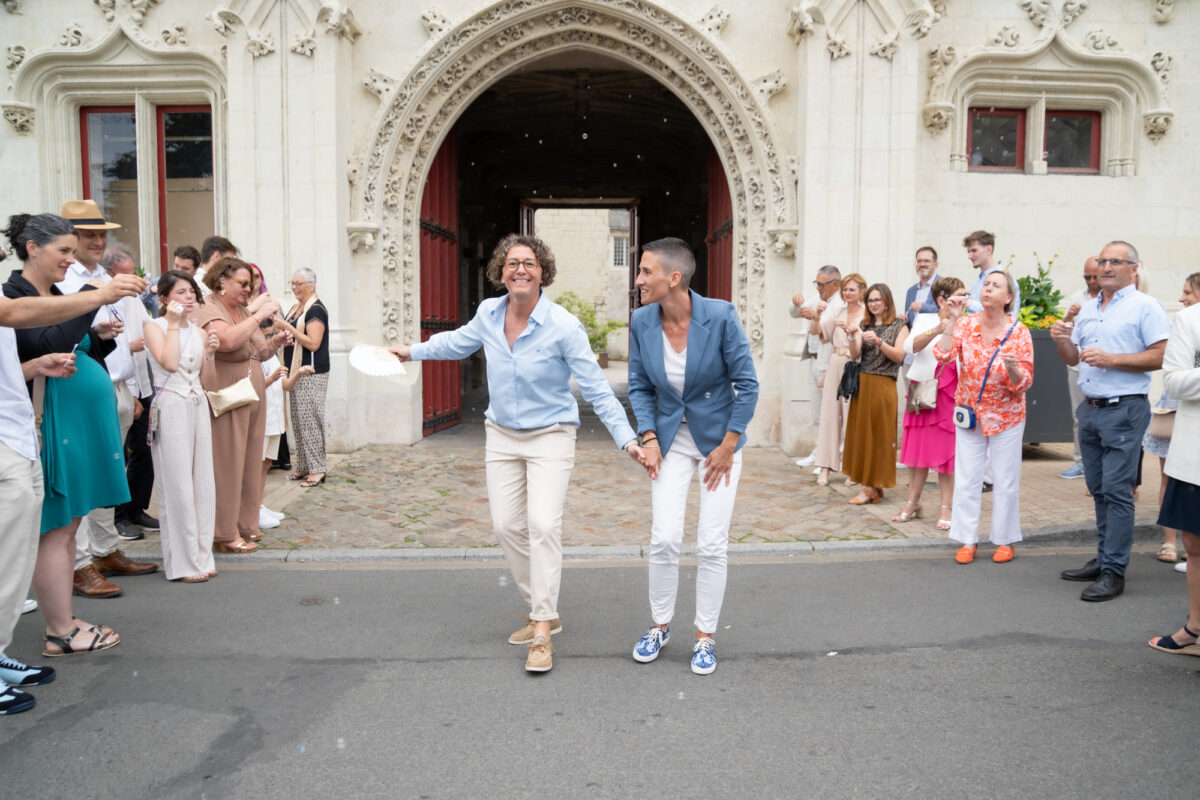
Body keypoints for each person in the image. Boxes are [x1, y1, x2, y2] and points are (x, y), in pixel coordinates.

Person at [389, 233, 644, 674]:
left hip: (551, 435)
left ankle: (541, 628)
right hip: (502, 435)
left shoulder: (563, 325)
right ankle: (545, 606)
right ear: (501, 272)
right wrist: (410, 352)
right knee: (506, 526)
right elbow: (456, 343)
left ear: (543, 272)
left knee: (543, 525)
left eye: (529, 263)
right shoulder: (489, 313)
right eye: (512, 263)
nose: (520, 269)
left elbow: (598, 390)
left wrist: (627, 439)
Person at [0, 223, 146, 714]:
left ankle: (11, 647)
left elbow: (56, 347)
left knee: (45, 536)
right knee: (44, 533)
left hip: (37, 427)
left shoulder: (49, 293)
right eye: (63, 249)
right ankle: (58, 629)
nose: (72, 257)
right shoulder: (15, 295)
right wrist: (94, 297)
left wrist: (95, 329)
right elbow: (35, 330)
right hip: (37, 426)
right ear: (32, 248)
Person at [627, 237, 758, 676]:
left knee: (711, 543)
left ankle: (705, 636)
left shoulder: (720, 316)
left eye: (646, 271)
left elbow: (747, 384)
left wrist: (728, 445)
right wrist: (648, 437)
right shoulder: (641, 321)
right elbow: (639, 385)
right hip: (670, 441)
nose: (639, 279)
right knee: (664, 537)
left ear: (674, 278)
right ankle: (659, 626)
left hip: (719, 443)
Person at [51, 203, 161, 596]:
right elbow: (64, 335)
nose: (98, 241)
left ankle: (105, 549)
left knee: (106, 472)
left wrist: (132, 389)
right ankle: (79, 563)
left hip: (113, 388)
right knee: (81, 475)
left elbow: (132, 332)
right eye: (88, 235)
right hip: (78, 389)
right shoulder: (65, 279)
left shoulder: (104, 276)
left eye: (101, 234)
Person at [1052, 241, 1170, 601]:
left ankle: (1114, 571)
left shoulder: (1146, 306)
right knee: (1099, 489)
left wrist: (1112, 359)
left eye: (1115, 261)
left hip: (1124, 409)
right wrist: (1062, 340)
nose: (1106, 267)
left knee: (1118, 491)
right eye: (1102, 261)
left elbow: (1161, 355)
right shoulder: (1088, 309)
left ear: (1133, 269)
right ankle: (1105, 558)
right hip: (1090, 409)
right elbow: (1073, 358)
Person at [933, 271, 1033, 563]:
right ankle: (967, 539)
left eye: (996, 285)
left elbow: (1025, 381)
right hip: (970, 414)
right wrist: (952, 320)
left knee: (1005, 480)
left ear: (1009, 297)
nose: (988, 288)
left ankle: (1004, 540)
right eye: (986, 284)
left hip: (1006, 416)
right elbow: (943, 355)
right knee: (967, 479)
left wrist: (1013, 370)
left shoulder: (1019, 332)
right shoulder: (966, 324)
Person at [191, 257, 289, 554]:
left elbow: (258, 352)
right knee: (228, 462)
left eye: (251, 283)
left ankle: (245, 524)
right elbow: (227, 342)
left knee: (249, 460)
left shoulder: (242, 310)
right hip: (228, 391)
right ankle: (224, 532)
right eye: (243, 283)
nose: (249, 289)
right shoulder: (210, 308)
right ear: (221, 280)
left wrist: (276, 342)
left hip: (251, 391)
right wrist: (259, 316)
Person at [143, 271, 221, 582]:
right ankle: (183, 561)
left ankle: (203, 554)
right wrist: (174, 324)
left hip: (197, 403)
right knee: (176, 483)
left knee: (203, 481)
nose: (188, 297)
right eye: (180, 292)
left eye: (191, 291)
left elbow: (208, 382)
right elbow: (170, 363)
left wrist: (211, 355)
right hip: (171, 403)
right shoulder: (154, 327)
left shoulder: (200, 332)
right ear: (164, 298)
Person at [1147, 296, 1200, 658]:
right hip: (1195, 454)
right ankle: (1195, 629)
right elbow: (1175, 383)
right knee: (1194, 546)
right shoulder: (1190, 318)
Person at [98, 247, 160, 543]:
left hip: (141, 383)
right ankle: (117, 516)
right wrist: (128, 347)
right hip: (118, 383)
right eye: (128, 273)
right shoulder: (101, 294)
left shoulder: (133, 297)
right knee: (118, 452)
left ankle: (136, 507)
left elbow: (149, 325)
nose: (135, 279)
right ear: (110, 273)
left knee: (145, 449)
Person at [895, 277, 965, 528]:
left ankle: (947, 507)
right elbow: (909, 347)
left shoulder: (968, 323)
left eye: (965, 295)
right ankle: (912, 503)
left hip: (952, 391)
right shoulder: (925, 319)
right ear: (941, 300)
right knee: (917, 450)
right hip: (923, 387)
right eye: (959, 295)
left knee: (947, 453)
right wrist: (936, 329)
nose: (964, 300)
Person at [1142, 272, 1198, 564]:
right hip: (1181, 420)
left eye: (1187, 292)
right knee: (1169, 476)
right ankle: (1170, 541)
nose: (1181, 298)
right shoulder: (1187, 321)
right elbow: (1174, 380)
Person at [842, 284, 908, 505]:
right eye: (870, 300)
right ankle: (872, 485)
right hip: (863, 383)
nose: (874, 304)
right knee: (863, 435)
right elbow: (855, 354)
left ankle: (871, 486)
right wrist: (852, 336)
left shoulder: (899, 325)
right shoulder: (865, 324)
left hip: (883, 384)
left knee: (879, 435)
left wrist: (879, 342)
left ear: (887, 301)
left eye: (878, 299)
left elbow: (899, 356)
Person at [275, 268, 330, 488]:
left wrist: (287, 327)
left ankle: (318, 469)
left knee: (311, 421)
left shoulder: (316, 310)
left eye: (299, 283)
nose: (294, 287)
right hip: (296, 371)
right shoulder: (296, 307)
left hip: (311, 372)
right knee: (298, 421)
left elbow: (313, 343)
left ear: (312, 285)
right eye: (292, 283)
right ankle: (304, 466)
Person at [813, 273, 866, 486]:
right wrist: (817, 315)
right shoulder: (837, 311)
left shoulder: (866, 314)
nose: (847, 293)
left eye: (852, 289)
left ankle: (853, 468)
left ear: (862, 291)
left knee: (852, 416)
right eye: (845, 289)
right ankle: (825, 467)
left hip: (855, 364)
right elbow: (818, 332)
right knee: (829, 415)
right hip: (835, 362)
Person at [789, 265, 842, 468]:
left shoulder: (840, 302)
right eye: (817, 284)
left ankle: (831, 456)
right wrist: (795, 304)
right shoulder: (818, 298)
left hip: (829, 363)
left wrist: (815, 316)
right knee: (817, 413)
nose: (818, 288)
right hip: (813, 359)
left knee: (830, 414)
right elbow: (795, 313)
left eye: (822, 284)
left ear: (835, 284)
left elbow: (834, 325)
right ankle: (819, 451)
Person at [1058, 257, 1101, 480]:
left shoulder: (1112, 298)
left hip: (1102, 367)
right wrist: (1069, 316)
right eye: (1087, 277)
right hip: (1078, 366)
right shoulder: (1077, 297)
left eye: (1095, 276)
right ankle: (1080, 462)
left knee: (1102, 417)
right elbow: (1065, 328)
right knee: (1079, 416)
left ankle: (1098, 463)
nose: (1091, 281)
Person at [963, 230, 1020, 314]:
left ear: (989, 249)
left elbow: (1008, 316)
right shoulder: (976, 285)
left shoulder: (1005, 280)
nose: (970, 256)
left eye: (974, 251)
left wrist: (971, 304)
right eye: (969, 252)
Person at [904, 247, 941, 328]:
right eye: (919, 261)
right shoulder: (911, 291)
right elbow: (909, 320)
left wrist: (924, 307)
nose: (922, 264)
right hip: (914, 335)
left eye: (926, 261)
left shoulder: (945, 285)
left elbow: (948, 311)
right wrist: (903, 319)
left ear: (936, 264)